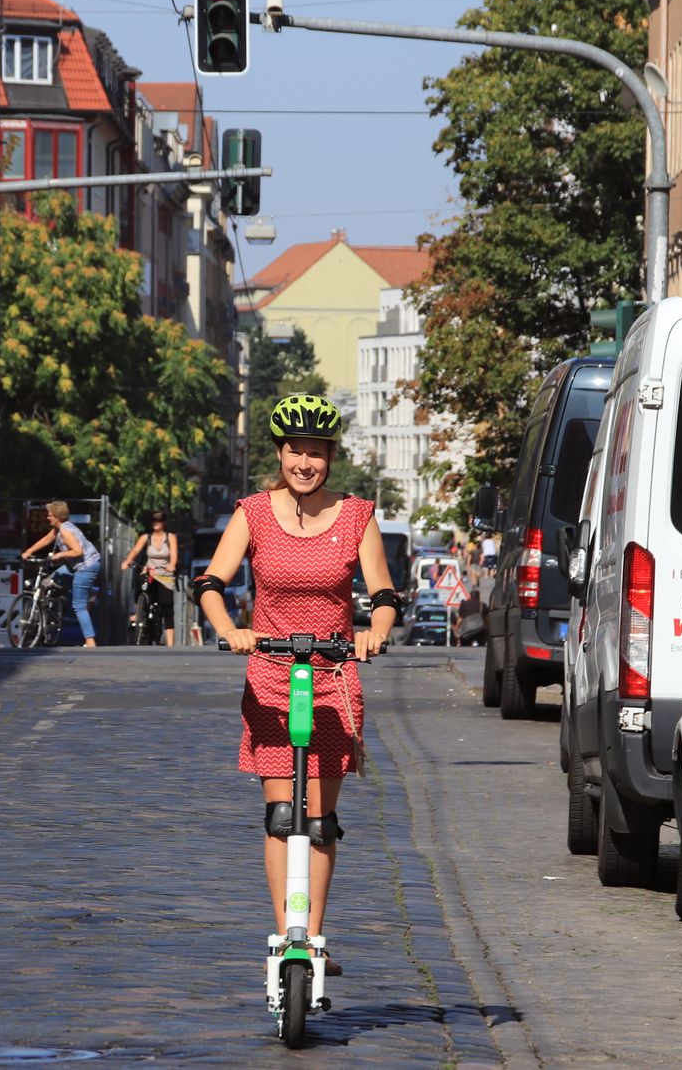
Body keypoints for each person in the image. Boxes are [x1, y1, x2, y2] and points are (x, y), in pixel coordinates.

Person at [195, 394, 400, 979]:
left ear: (329, 457)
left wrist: (375, 631)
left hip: (332, 673)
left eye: (315, 453)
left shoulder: (357, 516)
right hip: (270, 670)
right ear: (280, 454)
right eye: (295, 452)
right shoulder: (253, 513)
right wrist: (229, 629)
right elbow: (210, 582)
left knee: (319, 819)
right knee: (282, 814)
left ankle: (311, 937)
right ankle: (286, 931)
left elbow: (384, 593)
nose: (305, 463)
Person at [21, 500, 101, 647]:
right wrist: (28, 552)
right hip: (75, 566)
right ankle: (64, 602)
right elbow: (46, 539)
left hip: (86, 566)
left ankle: (90, 641)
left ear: (57, 516)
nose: (47, 517)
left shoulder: (65, 531)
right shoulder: (58, 529)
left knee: (79, 606)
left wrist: (60, 555)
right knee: (51, 580)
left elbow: (78, 551)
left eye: (50, 515)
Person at [121, 508, 181, 645]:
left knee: (167, 607)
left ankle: (170, 643)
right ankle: (139, 611)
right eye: (154, 520)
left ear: (164, 522)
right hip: (150, 572)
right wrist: (127, 561)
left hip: (165, 574)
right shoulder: (146, 538)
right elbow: (135, 550)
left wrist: (172, 565)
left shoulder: (170, 537)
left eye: (159, 520)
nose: (156, 523)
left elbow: (174, 554)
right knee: (140, 582)